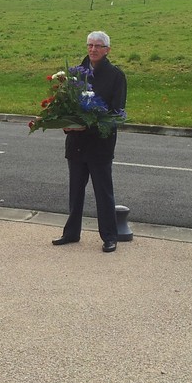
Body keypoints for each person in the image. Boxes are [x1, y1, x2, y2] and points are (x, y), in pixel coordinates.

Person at [51, 31, 127, 253]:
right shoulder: (76, 73)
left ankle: (109, 236)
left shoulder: (116, 76)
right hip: (76, 142)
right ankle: (71, 233)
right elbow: (66, 105)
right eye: (90, 45)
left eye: (98, 46)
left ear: (107, 50)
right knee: (75, 191)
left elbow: (116, 112)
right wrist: (65, 123)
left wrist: (90, 124)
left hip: (100, 144)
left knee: (103, 192)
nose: (93, 49)